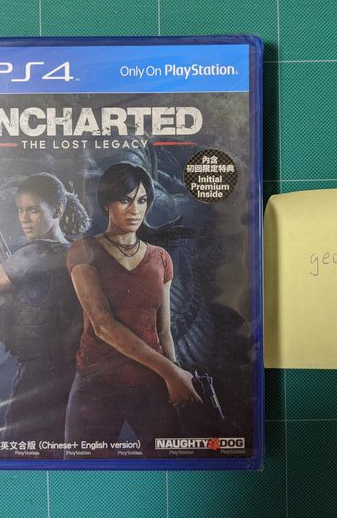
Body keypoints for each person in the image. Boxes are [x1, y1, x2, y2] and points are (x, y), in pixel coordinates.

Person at [65, 162, 202, 457]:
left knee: (170, 464)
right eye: (125, 200)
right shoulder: (84, 250)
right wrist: (171, 372)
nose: (134, 210)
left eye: (141, 200)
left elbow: (163, 331)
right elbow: (103, 325)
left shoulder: (161, 258)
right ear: (107, 203)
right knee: (81, 468)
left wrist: (174, 375)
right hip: (96, 384)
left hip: (152, 383)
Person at [0, 172, 90, 449]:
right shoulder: (76, 251)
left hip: (37, 378)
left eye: (33, 210)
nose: (24, 218)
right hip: (74, 375)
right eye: (20, 210)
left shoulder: (32, 255)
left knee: (17, 450)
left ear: (57, 210)